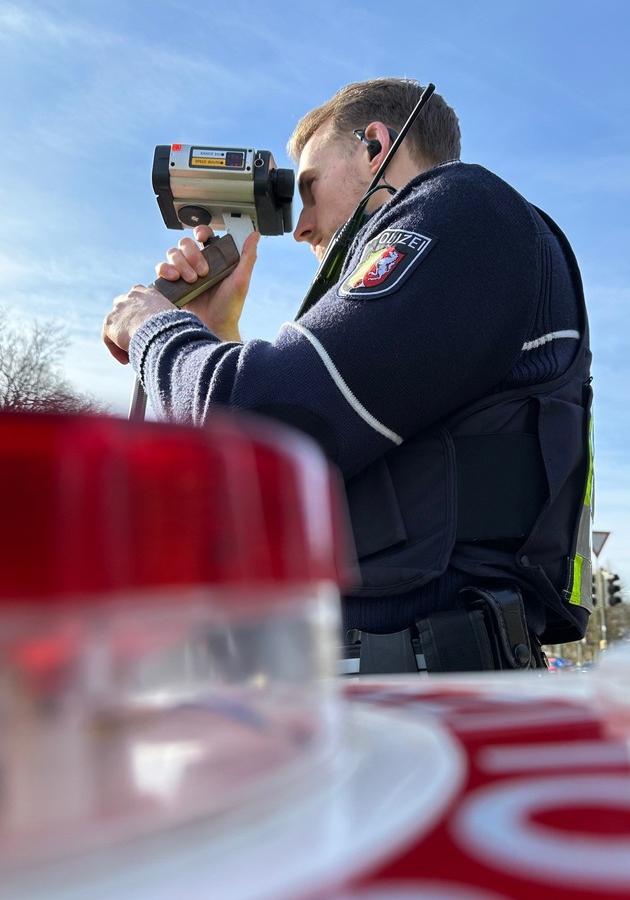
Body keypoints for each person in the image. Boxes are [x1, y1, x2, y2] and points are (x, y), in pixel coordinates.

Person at [103, 77, 594, 673]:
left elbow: (265, 412)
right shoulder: (450, 271)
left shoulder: (463, 205)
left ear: (375, 147)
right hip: (375, 685)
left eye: (307, 188)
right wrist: (215, 329)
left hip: (425, 688)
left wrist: (156, 330)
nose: (301, 224)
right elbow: (253, 474)